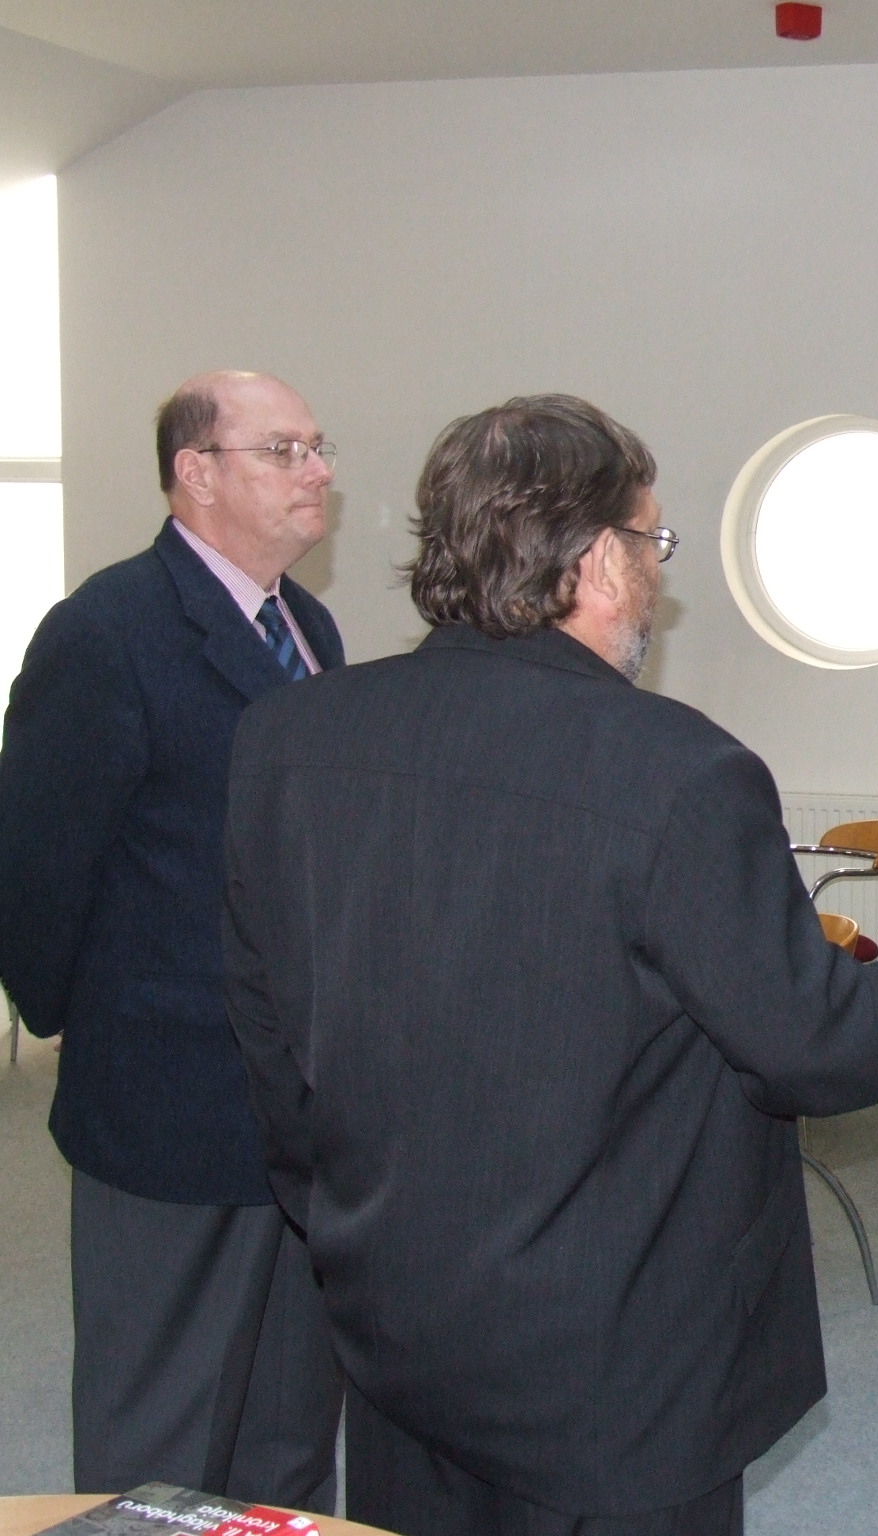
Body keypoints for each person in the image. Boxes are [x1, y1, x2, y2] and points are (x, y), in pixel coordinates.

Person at [221, 394, 878, 1536]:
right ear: (600, 559)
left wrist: (342, 1215)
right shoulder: (681, 772)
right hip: (624, 1368)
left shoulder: (290, 738)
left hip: (394, 1317)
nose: (657, 574)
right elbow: (804, 1042)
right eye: (654, 542)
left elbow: (266, 1028)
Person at [0, 372, 346, 1506]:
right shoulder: (105, 631)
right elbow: (36, 869)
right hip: (166, 1109)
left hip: (298, 1112)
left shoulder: (310, 626)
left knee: (285, 1443)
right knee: (158, 1453)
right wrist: (92, 1027)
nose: (318, 472)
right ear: (195, 472)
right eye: (283, 450)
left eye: (318, 448)